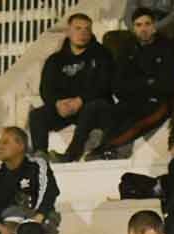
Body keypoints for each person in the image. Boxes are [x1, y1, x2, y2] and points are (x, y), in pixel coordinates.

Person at [29, 13, 115, 162]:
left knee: (92, 107)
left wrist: (80, 100)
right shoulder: (55, 60)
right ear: (68, 32)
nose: (83, 33)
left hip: (94, 107)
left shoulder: (102, 54)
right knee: (37, 115)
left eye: (87, 29)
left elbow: (105, 85)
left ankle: (71, 154)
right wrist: (57, 103)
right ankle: (40, 156)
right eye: (78, 28)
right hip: (66, 108)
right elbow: (46, 89)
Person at [101, 8, 174, 157]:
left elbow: (168, 84)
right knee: (114, 112)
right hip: (133, 99)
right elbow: (118, 86)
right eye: (138, 25)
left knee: (140, 115)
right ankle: (107, 149)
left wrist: (136, 84)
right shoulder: (126, 48)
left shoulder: (168, 47)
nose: (143, 29)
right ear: (133, 28)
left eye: (147, 24)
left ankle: (109, 148)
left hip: (161, 100)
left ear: (154, 26)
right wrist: (148, 81)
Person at [0, 127, 60, 231]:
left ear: (21, 146)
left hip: (35, 219)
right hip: (5, 227)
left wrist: (36, 219)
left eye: (5, 143)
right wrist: (2, 229)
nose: (0, 147)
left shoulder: (37, 166)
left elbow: (50, 192)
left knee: (50, 217)